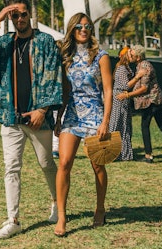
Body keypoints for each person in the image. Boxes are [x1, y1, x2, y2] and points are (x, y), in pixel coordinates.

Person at [0, 0, 62, 239]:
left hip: (37, 118)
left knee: (47, 165)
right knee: (11, 168)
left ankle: (57, 202)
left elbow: (54, 76)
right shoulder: (4, 43)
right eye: (15, 17)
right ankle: (13, 219)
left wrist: (43, 111)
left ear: (29, 16)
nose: (20, 19)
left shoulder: (44, 42)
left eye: (23, 15)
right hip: (10, 117)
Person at [53, 13, 113, 237]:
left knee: (97, 166)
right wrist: (59, 118)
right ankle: (61, 216)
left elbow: (108, 91)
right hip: (72, 116)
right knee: (65, 163)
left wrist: (105, 121)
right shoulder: (66, 56)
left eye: (87, 26)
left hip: (96, 115)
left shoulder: (101, 56)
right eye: (79, 26)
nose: (83, 29)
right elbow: (66, 91)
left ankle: (100, 209)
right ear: (72, 29)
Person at [117, 45, 162, 164]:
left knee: (145, 127)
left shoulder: (144, 66)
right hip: (157, 101)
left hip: (151, 102)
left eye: (132, 55)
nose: (130, 56)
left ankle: (148, 155)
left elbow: (144, 88)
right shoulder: (140, 66)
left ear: (138, 57)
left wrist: (128, 95)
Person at [109, 46, 136, 161]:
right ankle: (113, 152)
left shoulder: (126, 68)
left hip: (124, 98)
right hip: (119, 98)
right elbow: (125, 85)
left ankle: (123, 153)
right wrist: (138, 77)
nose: (132, 56)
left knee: (124, 124)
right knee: (117, 123)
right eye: (130, 54)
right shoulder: (121, 68)